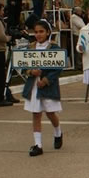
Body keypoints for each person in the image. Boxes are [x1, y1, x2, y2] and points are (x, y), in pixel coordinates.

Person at [22, 19, 63, 157]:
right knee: (36, 113)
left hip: (48, 86)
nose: (38, 34)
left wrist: (46, 80)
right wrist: (30, 71)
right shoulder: (30, 47)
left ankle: (58, 132)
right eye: (36, 32)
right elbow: (23, 64)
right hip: (34, 85)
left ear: (48, 32)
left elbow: (58, 68)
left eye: (41, 31)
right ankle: (38, 145)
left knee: (50, 113)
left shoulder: (54, 47)